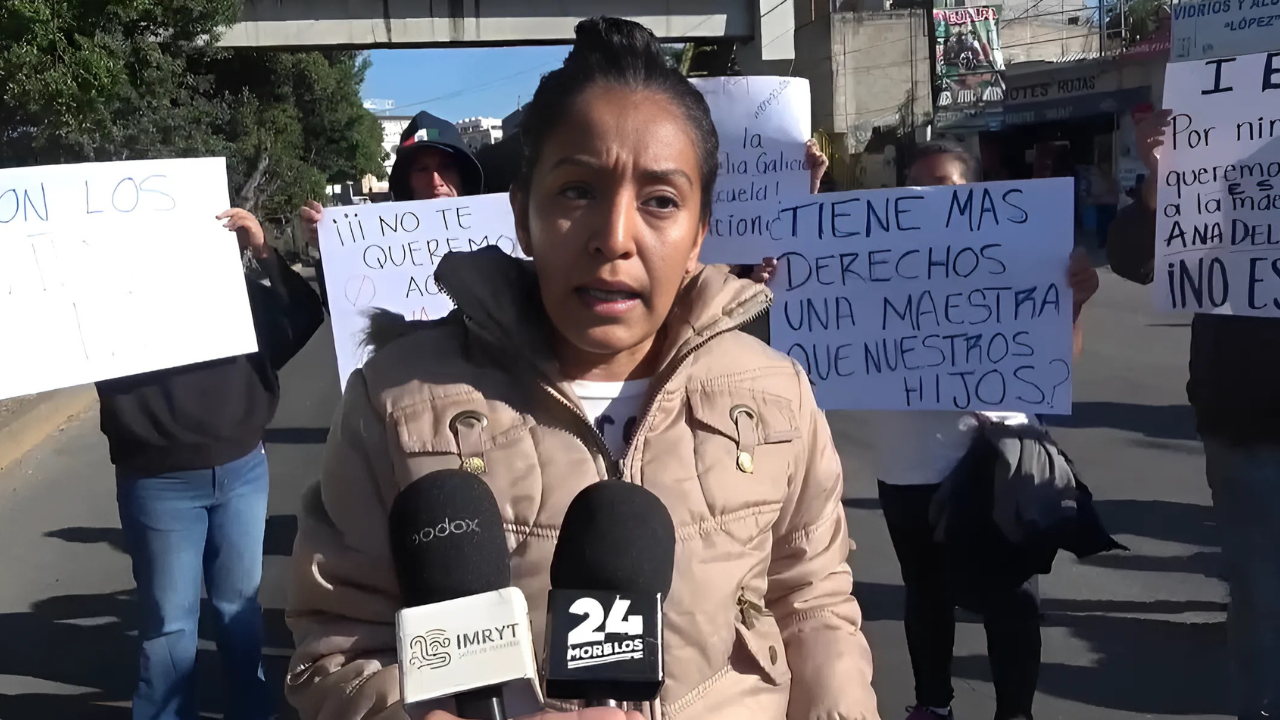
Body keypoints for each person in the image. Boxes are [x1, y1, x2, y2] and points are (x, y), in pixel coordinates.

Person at [284, 16, 878, 720]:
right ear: (523, 215)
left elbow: (813, 606)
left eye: (660, 201)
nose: (615, 238)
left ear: (699, 235)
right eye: (576, 192)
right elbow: (338, 648)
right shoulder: (396, 399)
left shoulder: (775, 393)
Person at [749, 141, 1097, 720]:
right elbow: (819, 268)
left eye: (943, 189)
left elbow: (1058, 358)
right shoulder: (886, 257)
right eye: (913, 189)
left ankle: (1015, 713)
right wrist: (788, 265)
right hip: (908, 463)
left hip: (999, 458)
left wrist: (1074, 304)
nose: (925, 201)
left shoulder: (1019, 253)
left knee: (1011, 599)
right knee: (926, 593)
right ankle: (933, 705)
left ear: (976, 196)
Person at [97, 208, 324, 720]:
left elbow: (303, 315)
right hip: (159, 484)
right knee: (170, 628)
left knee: (239, 613)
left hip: (243, 472)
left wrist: (264, 250)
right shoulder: (111, 303)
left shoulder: (232, 293)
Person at [1107, 108, 1280, 720]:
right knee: (1262, 596)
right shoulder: (1205, 172)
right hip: (1246, 420)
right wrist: (1162, 182)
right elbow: (1134, 259)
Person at [299, 111, 485, 309]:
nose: (435, 181)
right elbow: (349, 315)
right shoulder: (384, 254)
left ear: (464, 176)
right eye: (421, 169)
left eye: (446, 167)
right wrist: (330, 251)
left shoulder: (501, 237)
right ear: (407, 183)